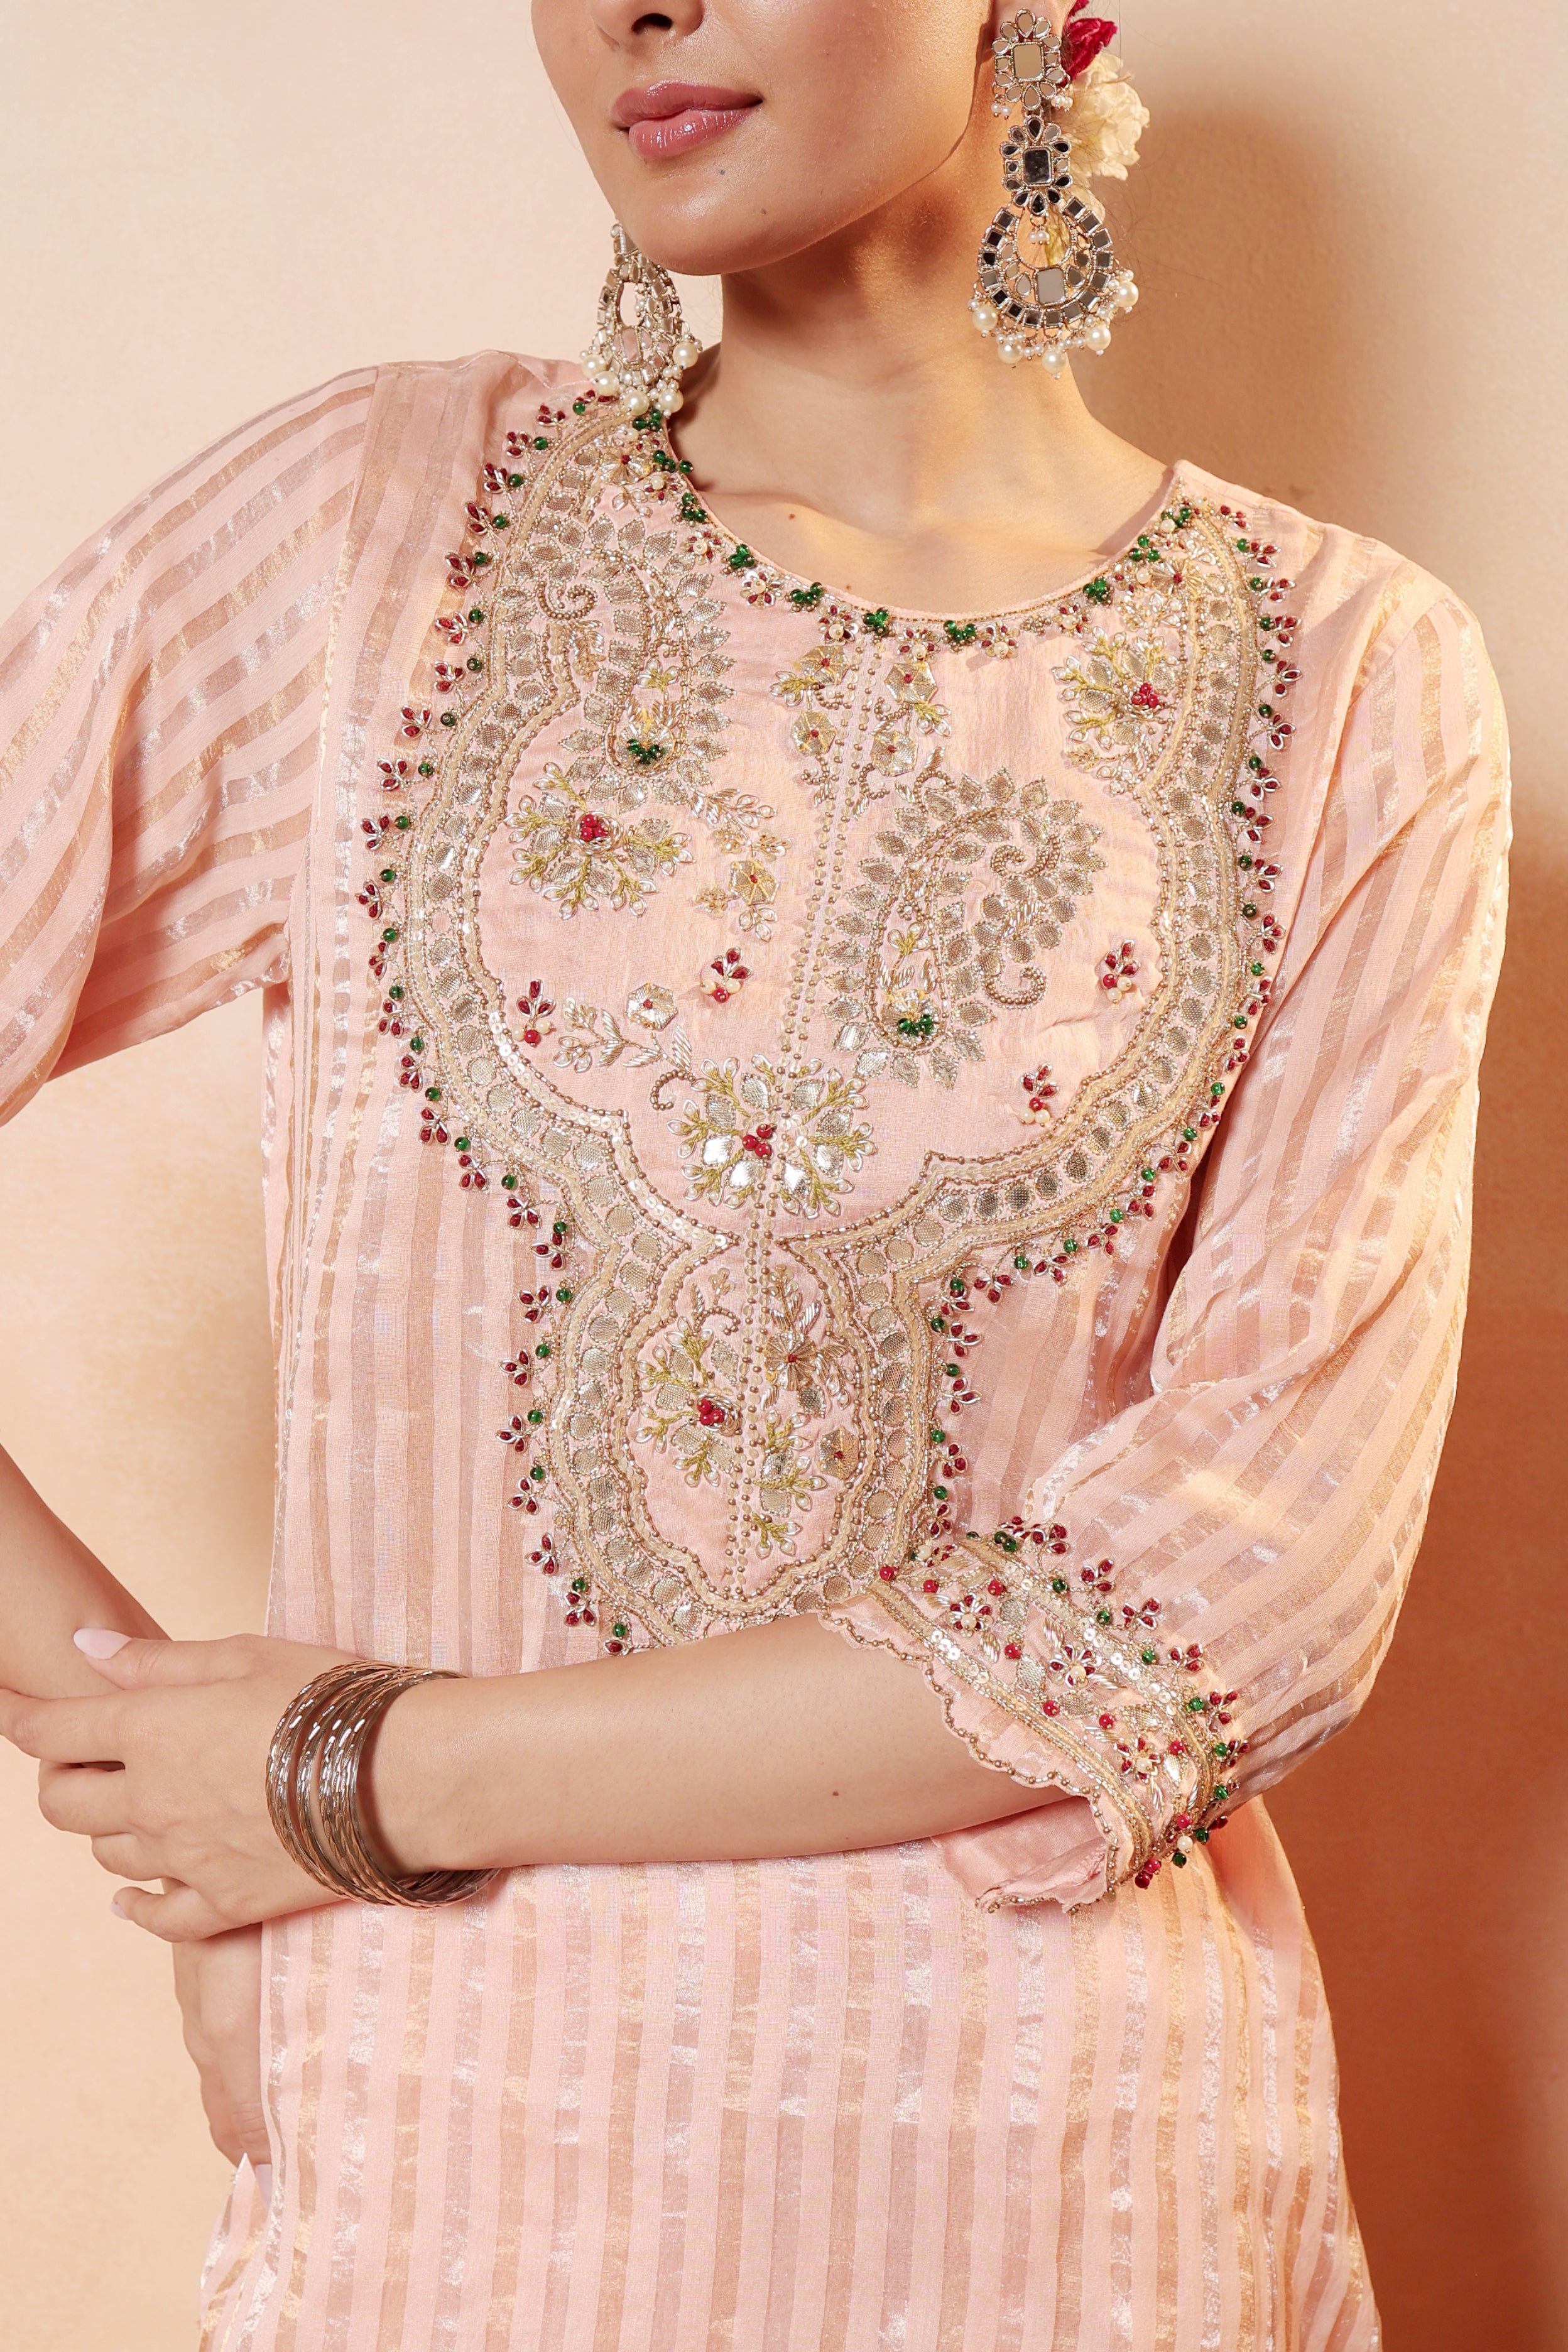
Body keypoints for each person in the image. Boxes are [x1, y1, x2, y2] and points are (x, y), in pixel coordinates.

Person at [0, 2, 1508, 2344]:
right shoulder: (380, 538)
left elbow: (1257, 1578)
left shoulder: (1347, 680)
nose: (633, 6)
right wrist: (180, 1773)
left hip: (1057, 2190)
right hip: (454, 2165)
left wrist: (355, 1772)